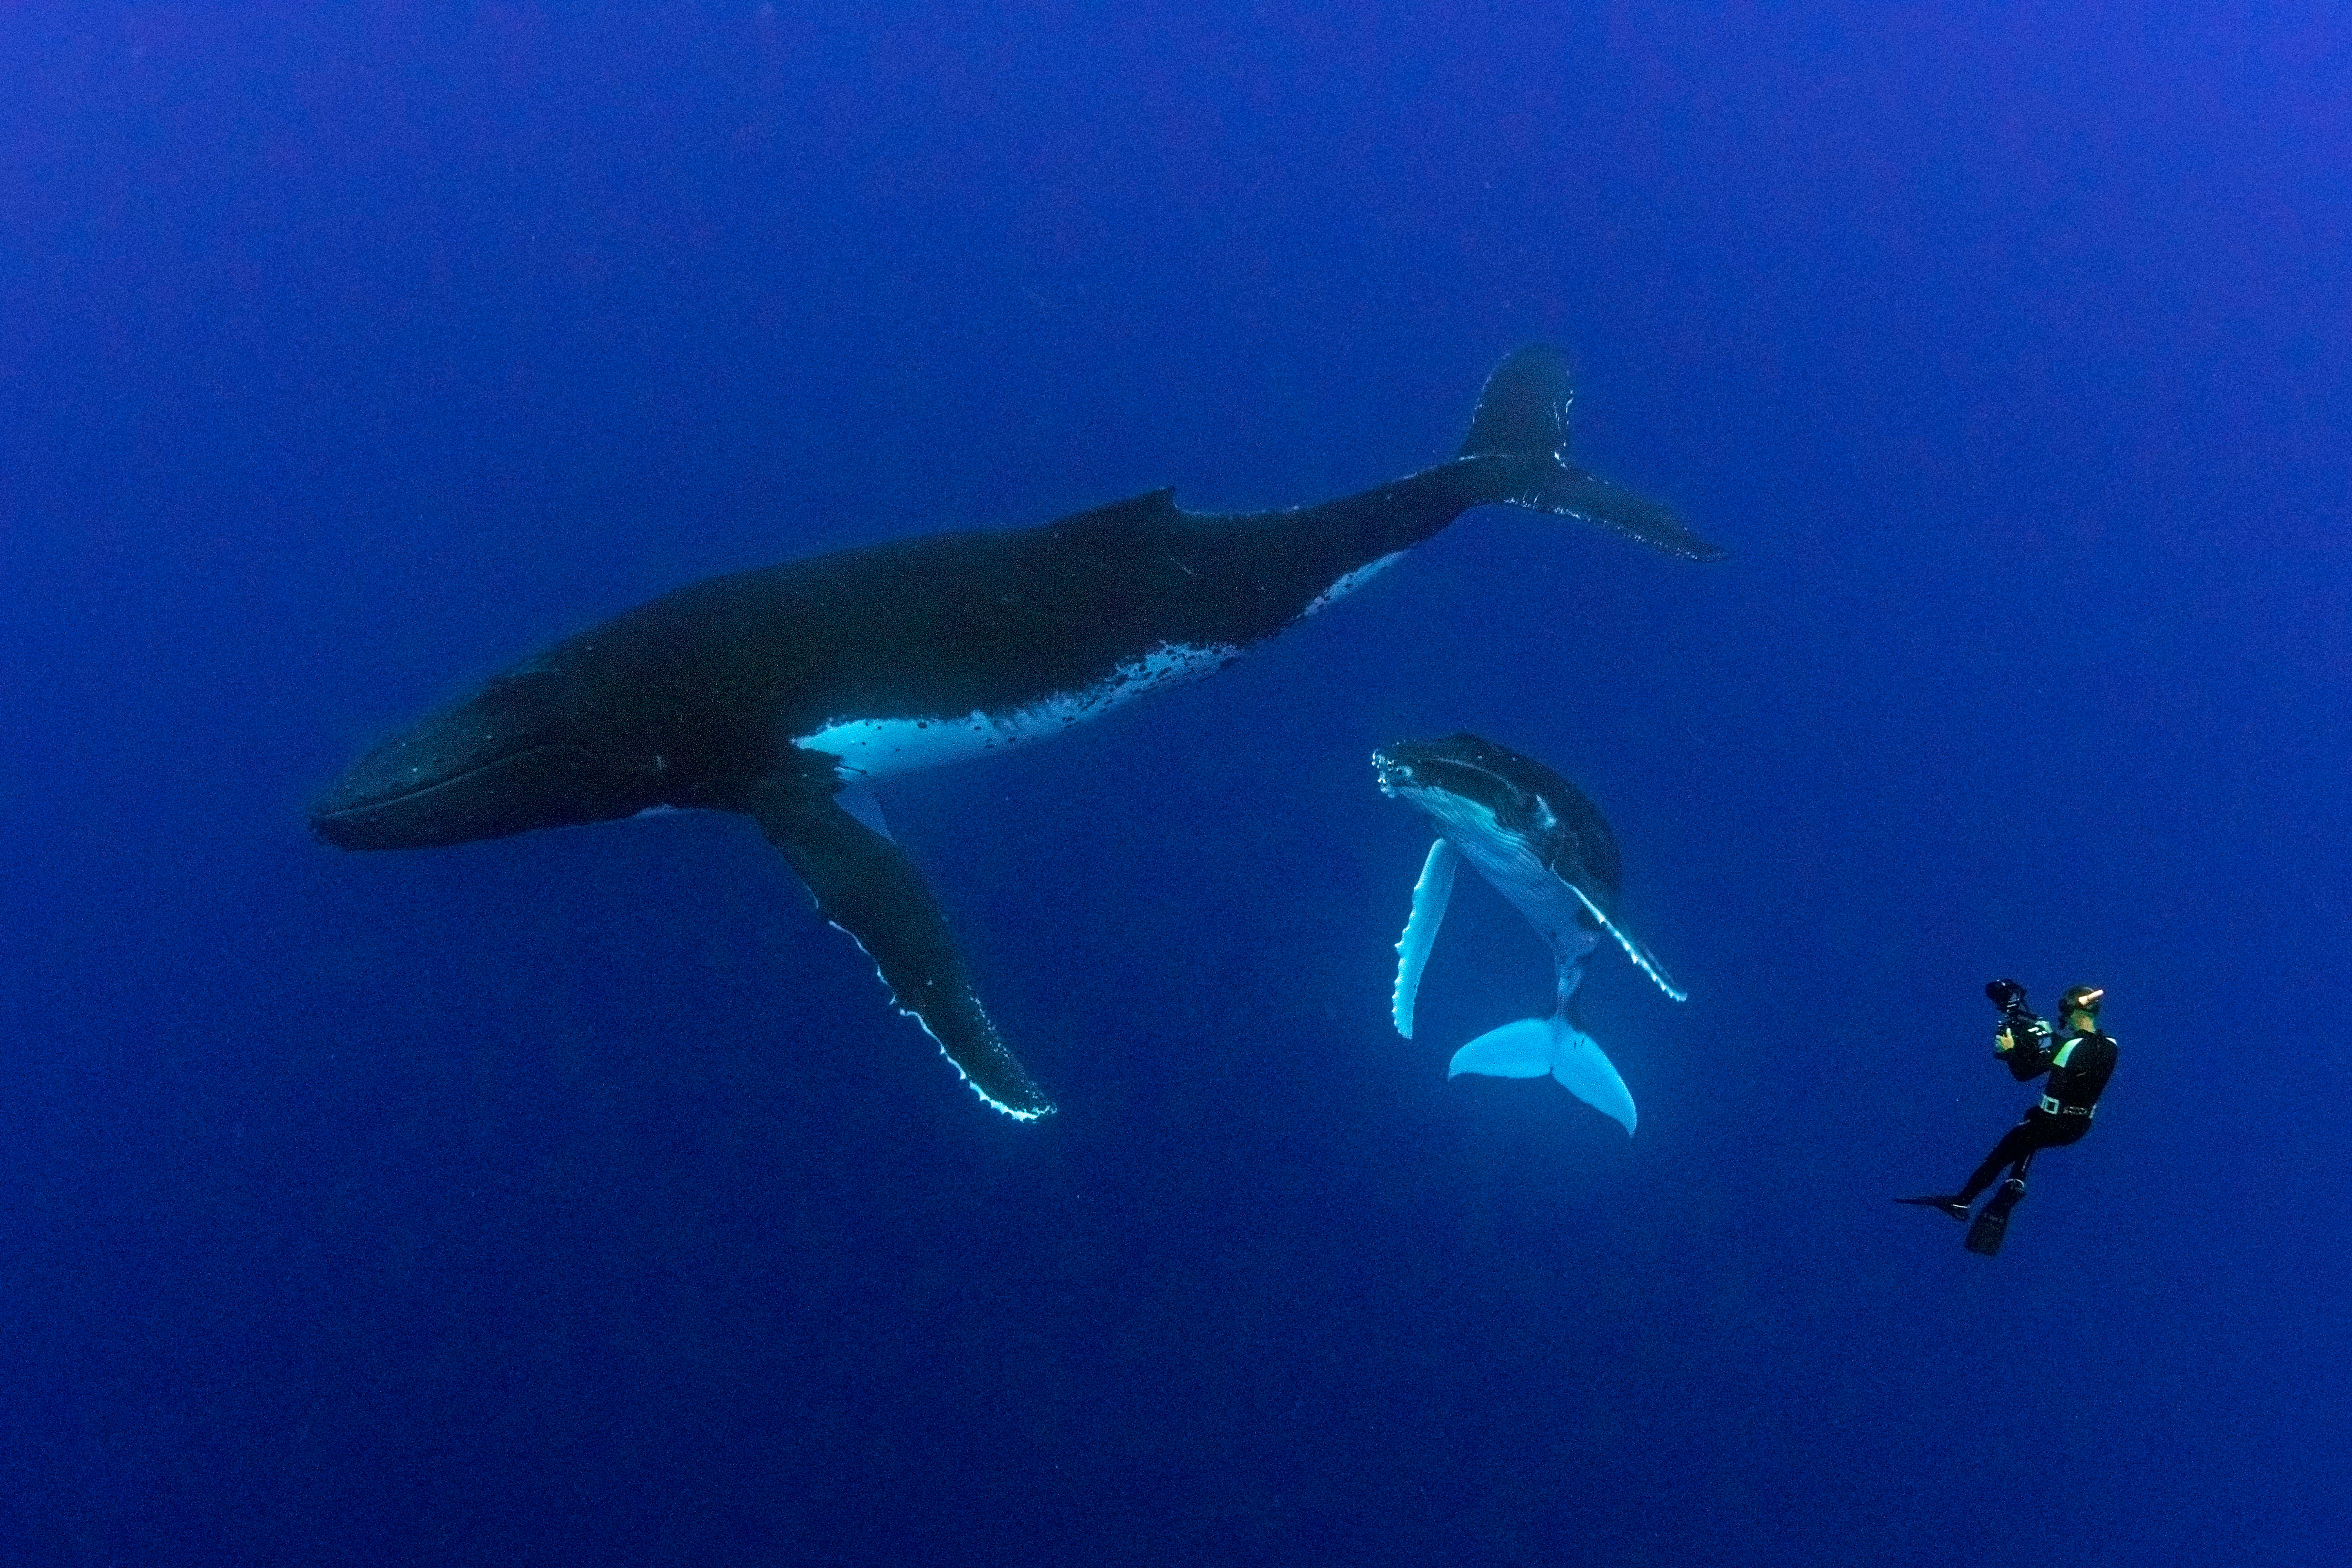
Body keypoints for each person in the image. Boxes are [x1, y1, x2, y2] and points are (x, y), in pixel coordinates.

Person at [1900, 982, 2117, 1224]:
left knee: (2003, 1152)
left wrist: (2010, 1052)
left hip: (2053, 1123)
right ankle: (2015, 1182)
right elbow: (2076, 1053)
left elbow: (2024, 1074)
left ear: (2070, 1011)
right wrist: (2047, 1036)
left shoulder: (2070, 1048)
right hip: (2078, 1126)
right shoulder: (2110, 1046)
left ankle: (1961, 1201)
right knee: (2030, 1129)